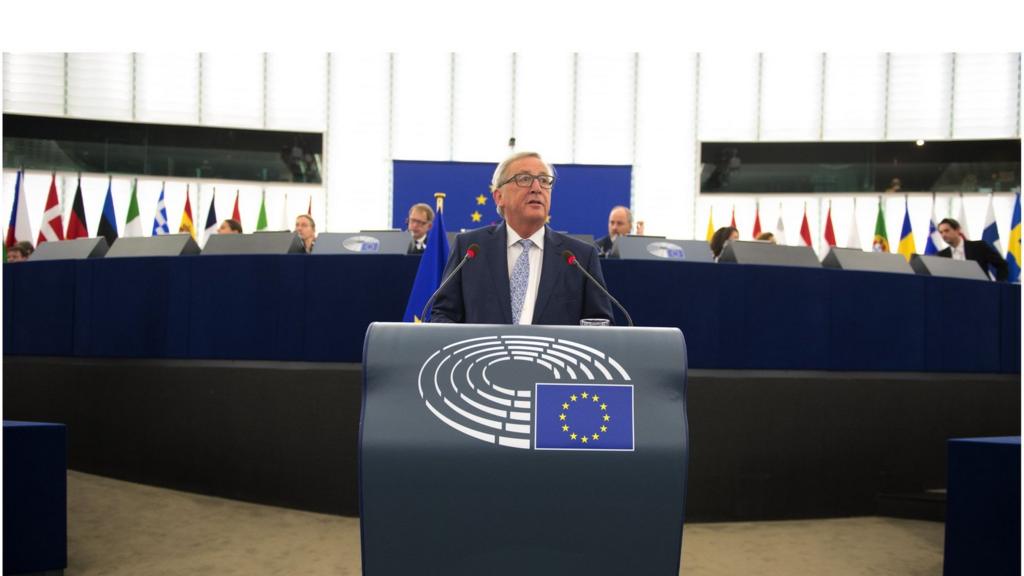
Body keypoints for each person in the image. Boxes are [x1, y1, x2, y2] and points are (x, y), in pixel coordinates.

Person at [430, 151, 613, 325]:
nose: (537, 188)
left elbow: (600, 324)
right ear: (499, 197)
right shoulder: (469, 249)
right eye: (524, 179)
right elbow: (443, 315)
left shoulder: (580, 257)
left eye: (544, 180)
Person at [936, 218, 1008, 281]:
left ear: (957, 230)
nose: (943, 235)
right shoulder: (942, 255)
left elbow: (1002, 265)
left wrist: (998, 284)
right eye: (941, 232)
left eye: (946, 231)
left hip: (981, 290)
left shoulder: (978, 247)